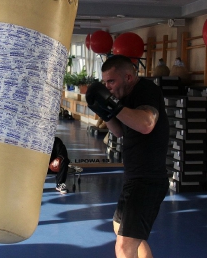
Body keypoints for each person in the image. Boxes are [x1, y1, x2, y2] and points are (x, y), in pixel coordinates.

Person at [85, 55, 169, 258]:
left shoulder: (147, 91)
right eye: (105, 82)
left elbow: (146, 124)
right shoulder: (123, 98)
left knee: (124, 247)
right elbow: (119, 132)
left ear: (129, 77)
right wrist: (104, 111)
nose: (108, 87)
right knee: (120, 229)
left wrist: (114, 105)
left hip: (148, 180)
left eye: (111, 81)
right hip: (133, 177)